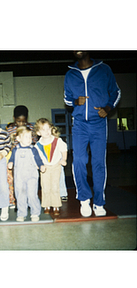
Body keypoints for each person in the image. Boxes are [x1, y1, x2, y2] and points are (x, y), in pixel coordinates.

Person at [64, 51, 121, 217]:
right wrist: (76, 101)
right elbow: (67, 99)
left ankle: (98, 202)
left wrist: (108, 108)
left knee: (98, 163)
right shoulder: (70, 74)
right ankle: (84, 200)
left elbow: (116, 92)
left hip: (98, 124)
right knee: (79, 161)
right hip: (80, 124)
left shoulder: (103, 69)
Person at [8, 126, 45, 222]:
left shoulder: (33, 149)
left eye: (30, 137)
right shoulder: (15, 150)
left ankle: (35, 212)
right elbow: (12, 158)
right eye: (26, 137)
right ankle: (21, 213)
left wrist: (41, 165)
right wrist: (10, 163)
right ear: (18, 138)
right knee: (20, 195)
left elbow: (38, 159)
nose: (29, 139)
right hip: (19, 177)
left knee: (32, 194)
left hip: (31, 176)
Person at [6, 105, 38, 208]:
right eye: (18, 121)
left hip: (28, 157)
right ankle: (18, 201)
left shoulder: (31, 128)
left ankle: (30, 199)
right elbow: (8, 144)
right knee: (17, 180)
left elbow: (34, 142)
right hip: (16, 156)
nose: (21, 124)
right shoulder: (10, 129)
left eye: (23, 121)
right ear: (14, 118)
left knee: (30, 179)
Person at [35, 118, 67, 216]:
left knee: (54, 186)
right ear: (38, 133)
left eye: (48, 129)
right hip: (45, 168)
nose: (47, 132)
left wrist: (64, 159)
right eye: (43, 130)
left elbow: (64, 149)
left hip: (56, 166)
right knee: (45, 187)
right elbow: (36, 157)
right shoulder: (38, 145)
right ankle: (46, 205)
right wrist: (39, 166)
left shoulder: (57, 141)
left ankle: (56, 205)